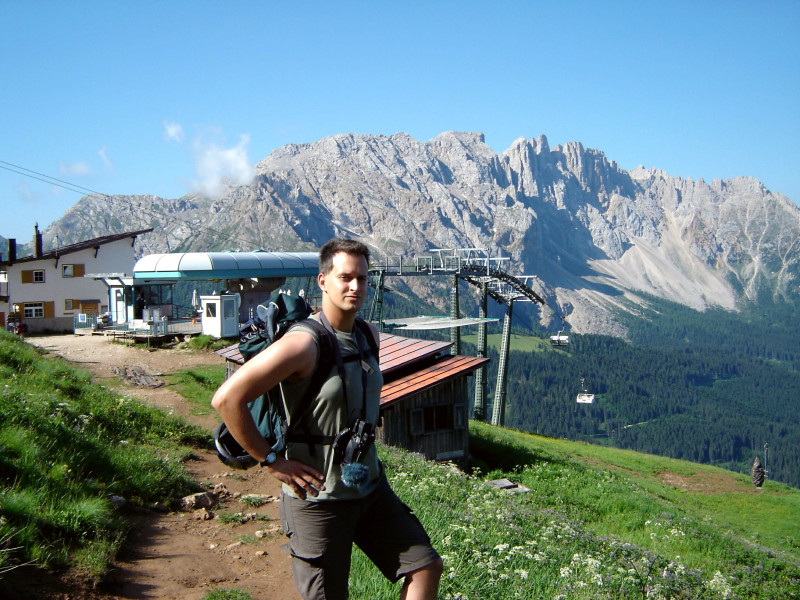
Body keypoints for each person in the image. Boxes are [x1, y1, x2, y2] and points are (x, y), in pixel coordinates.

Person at [212, 238, 442, 600]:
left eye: (363, 278)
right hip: (317, 498)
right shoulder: (303, 343)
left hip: (369, 488)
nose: (356, 286)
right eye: (345, 277)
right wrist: (271, 460)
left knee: (424, 565)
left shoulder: (368, 334)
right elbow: (227, 399)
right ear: (322, 281)